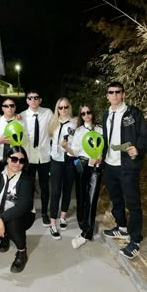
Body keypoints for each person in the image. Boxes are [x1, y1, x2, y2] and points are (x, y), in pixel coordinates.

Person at [102, 81, 147, 259]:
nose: (114, 95)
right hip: (110, 164)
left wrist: (139, 148)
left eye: (117, 92)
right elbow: (105, 138)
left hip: (127, 165)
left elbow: (144, 135)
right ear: (107, 96)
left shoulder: (133, 113)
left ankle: (135, 239)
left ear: (123, 94)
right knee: (116, 199)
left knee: (133, 203)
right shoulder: (106, 113)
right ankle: (121, 227)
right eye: (111, 92)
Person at [0, 146, 35, 273]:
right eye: (14, 159)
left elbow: (22, 207)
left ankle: (22, 252)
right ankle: (5, 235)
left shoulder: (26, 179)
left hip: (23, 215)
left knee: (13, 223)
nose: (17, 163)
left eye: (21, 161)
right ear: (7, 159)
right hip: (1, 212)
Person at [65, 104, 102, 249]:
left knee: (92, 199)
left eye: (88, 112)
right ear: (80, 116)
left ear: (92, 113)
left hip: (95, 167)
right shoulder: (78, 131)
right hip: (81, 165)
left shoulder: (100, 129)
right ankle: (82, 223)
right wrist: (66, 147)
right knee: (81, 197)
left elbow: (104, 146)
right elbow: (74, 151)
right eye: (83, 113)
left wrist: (99, 157)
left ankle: (86, 233)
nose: (86, 115)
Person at [20, 89, 53, 226]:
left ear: (40, 100)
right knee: (29, 185)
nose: (33, 100)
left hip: (44, 156)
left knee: (45, 186)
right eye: (30, 98)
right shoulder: (21, 116)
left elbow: (56, 127)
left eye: (36, 98)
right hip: (29, 157)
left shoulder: (48, 113)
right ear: (27, 100)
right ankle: (30, 210)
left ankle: (45, 212)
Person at [48, 97, 77, 240]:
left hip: (69, 160)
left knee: (67, 189)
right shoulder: (52, 123)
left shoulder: (74, 123)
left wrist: (68, 147)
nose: (63, 110)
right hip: (56, 160)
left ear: (69, 108)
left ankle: (63, 216)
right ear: (57, 109)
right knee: (55, 191)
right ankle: (53, 222)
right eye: (60, 107)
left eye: (66, 107)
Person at [0, 97, 26, 168]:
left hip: (15, 161)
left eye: (12, 105)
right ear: (2, 108)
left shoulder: (21, 123)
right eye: (6, 106)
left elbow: (25, 143)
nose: (9, 108)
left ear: (15, 107)